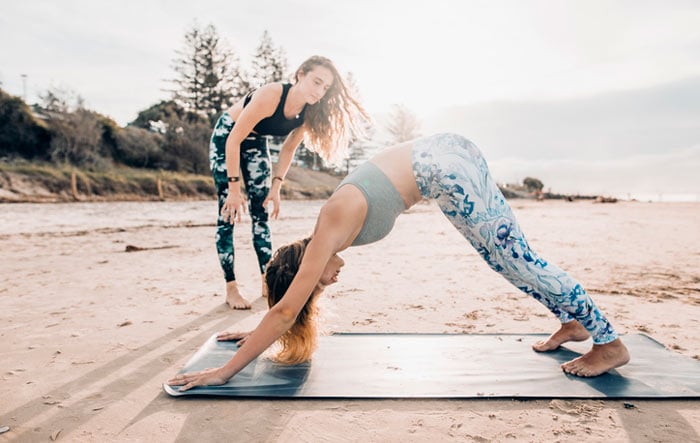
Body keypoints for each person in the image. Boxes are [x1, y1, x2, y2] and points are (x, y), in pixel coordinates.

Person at [169, 133, 630, 391]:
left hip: (443, 168)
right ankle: (574, 322)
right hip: (445, 162)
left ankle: (608, 342)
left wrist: (224, 372)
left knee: (520, 262)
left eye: (322, 285)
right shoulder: (330, 233)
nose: (332, 280)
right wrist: (256, 330)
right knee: (506, 261)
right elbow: (286, 305)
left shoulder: (329, 227)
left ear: (306, 276)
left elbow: (286, 309)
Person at [209, 55, 367, 309]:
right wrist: (234, 189)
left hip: (256, 142)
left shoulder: (308, 112)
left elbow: (288, 149)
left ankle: (265, 281)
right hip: (228, 136)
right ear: (301, 74)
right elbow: (233, 140)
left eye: (325, 87)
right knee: (228, 212)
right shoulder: (271, 95)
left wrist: (276, 187)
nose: (320, 91)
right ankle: (232, 288)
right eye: (316, 82)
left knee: (260, 213)